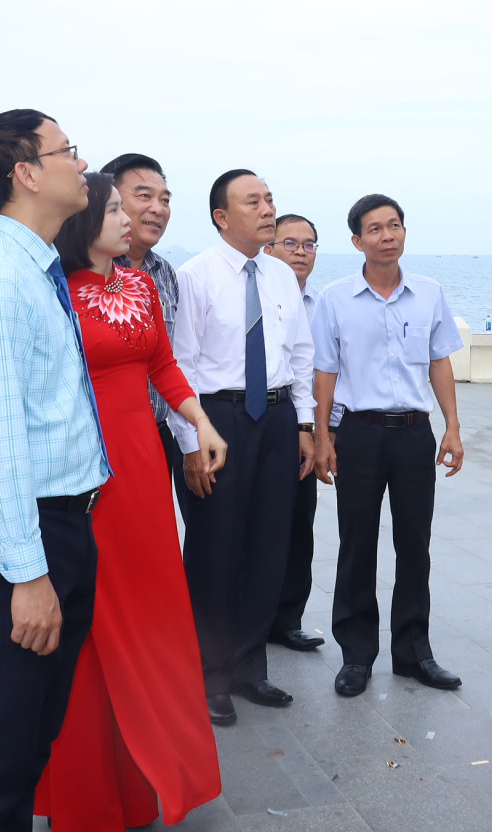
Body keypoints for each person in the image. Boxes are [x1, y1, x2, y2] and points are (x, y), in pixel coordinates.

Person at [33, 173, 226, 830]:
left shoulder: (139, 285)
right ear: (83, 220)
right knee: (93, 626)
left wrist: (199, 423)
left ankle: (151, 777)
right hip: (86, 472)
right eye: (115, 208)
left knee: (151, 613)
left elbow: (162, 368)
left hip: (143, 470)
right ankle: (87, 789)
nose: (128, 219)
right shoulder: (51, 292)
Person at [0, 109, 109, 831]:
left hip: (56, 530)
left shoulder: (35, 269)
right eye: (68, 150)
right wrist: (29, 577)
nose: (82, 163)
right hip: (20, 542)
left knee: (27, 746)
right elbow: (2, 442)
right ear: (27, 174)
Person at [173, 169, 317, 725]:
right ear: (221, 216)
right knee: (215, 547)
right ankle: (208, 673)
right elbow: (180, 365)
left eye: (269, 199)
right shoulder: (196, 276)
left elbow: (299, 354)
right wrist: (191, 442)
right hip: (220, 419)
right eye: (252, 201)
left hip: (278, 418)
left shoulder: (281, 276)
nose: (266, 209)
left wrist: (304, 426)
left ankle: (250, 667)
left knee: (268, 544)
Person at [311, 194, 466, 697]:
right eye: (375, 229)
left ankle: (413, 653)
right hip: (358, 433)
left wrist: (453, 427)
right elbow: (325, 374)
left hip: (413, 433)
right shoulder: (335, 299)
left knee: (414, 544)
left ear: (404, 232)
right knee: (357, 543)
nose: (387, 235)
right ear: (357, 241)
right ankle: (356, 655)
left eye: (394, 225)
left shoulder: (429, 293)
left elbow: (440, 361)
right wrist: (322, 437)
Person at [101, 154, 202, 477]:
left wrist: (192, 436)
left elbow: (171, 363)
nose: (158, 209)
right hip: (99, 439)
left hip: (155, 435)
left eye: (165, 200)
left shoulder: (165, 274)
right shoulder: (80, 271)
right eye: (144, 196)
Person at [263, 213, 326, 652]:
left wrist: (324, 433)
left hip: (304, 422)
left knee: (298, 523)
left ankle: (288, 619)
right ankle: (247, 619)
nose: (300, 252)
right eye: (290, 243)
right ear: (269, 248)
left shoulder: (324, 307)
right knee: (254, 523)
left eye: (309, 244)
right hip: (261, 415)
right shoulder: (260, 295)